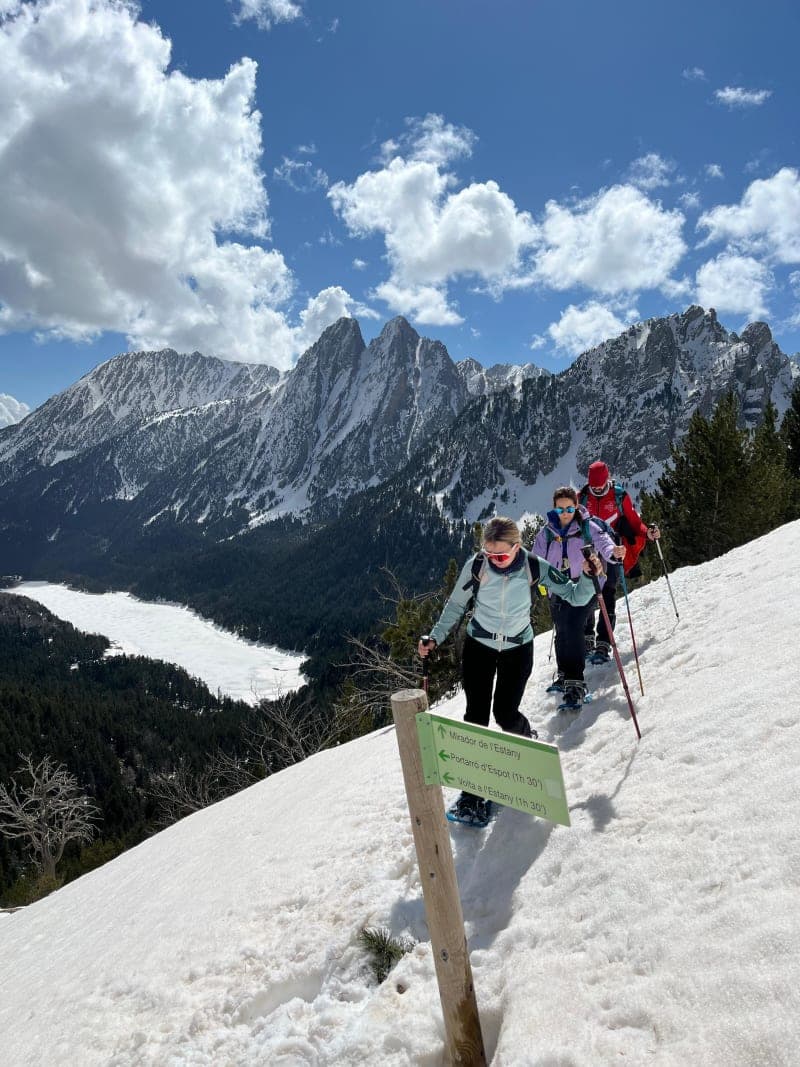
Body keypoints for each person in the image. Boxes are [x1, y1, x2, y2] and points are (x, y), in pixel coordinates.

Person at [418, 515, 601, 825]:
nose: (494, 560)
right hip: (479, 646)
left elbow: (574, 594)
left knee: (505, 713)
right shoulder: (477, 565)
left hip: (518, 648)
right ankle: (472, 795)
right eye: (489, 554)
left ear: (517, 547)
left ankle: (525, 743)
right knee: (475, 716)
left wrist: (586, 575)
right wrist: (434, 637)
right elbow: (456, 605)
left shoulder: (534, 566)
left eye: (500, 556)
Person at [532, 487, 622, 708]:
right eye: (560, 509)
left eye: (569, 509)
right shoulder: (546, 534)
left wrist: (614, 553)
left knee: (573, 626)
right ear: (554, 509)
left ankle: (575, 682)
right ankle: (564, 674)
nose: (565, 513)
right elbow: (535, 560)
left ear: (576, 507)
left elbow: (604, 543)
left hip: (586, 585)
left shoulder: (588, 526)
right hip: (557, 587)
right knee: (562, 631)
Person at [578, 461, 661, 662]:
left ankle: (603, 643)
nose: (597, 490)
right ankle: (587, 637)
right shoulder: (583, 497)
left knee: (608, 593)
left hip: (613, 550)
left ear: (607, 480)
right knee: (587, 592)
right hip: (589, 551)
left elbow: (635, 522)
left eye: (600, 486)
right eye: (594, 486)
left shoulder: (619, 496)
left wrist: (648, 533)